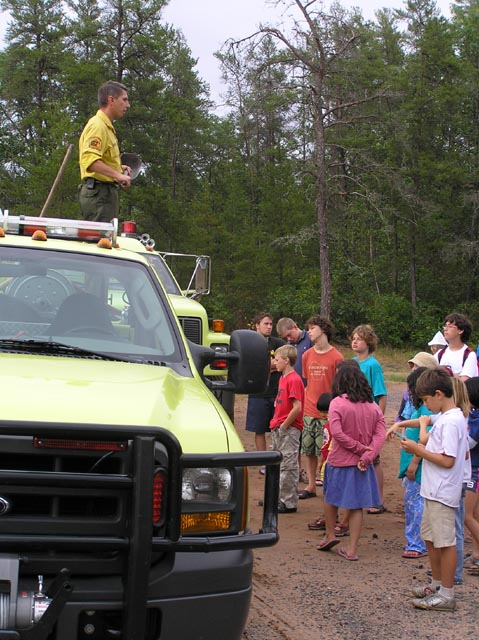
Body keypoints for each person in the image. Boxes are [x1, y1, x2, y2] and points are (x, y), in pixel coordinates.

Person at [401, 367, 468, 611]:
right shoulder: (446, 417)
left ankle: (447, 594)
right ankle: (437, 584)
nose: (426, 406)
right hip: (432, 489)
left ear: (439, 394)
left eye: (427, 400)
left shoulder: (451, 421)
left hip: (442, 491)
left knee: (445, 542)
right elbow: (428, 424)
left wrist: (418, 450)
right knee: (431, 538)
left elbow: (448, 460)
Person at [316, 365, 386, 560]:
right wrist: (367, 455)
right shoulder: (373, 407)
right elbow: (380, 434)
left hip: (339, 460)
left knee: (330, 498)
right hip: (361, 465)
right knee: (356, 506)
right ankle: (352, 549)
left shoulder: (337, 403)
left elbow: (337, 433)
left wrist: (358, 448)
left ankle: (330, 534)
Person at [388, 367, 432, 559]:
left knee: (415, 505)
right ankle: (417, 542)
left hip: (419, 466)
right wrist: (399, 425)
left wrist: (414, 462)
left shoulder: (427, 408)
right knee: (413, 503)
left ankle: (417, 544)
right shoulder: (422, 407)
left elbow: (425, 440)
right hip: (413, 464)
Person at [298, 315, 343, 500]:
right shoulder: (306, 355)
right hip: (309, 410)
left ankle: (328, 483)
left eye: (312, 328)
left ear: (323, 329)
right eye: (308, 328)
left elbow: (339, 387)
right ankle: (311, 485)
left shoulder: (337, 357)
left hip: (328, 412)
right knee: (308, 450)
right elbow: (307, 381)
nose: (309, 331)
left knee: (327, 450)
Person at [78, 81, 132, 221]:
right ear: (111, 100)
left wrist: (118, 168)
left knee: (106, 234)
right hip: (99, 195)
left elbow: (100, 159)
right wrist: (118, 175)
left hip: (104, 194)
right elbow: (90, 161)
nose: (128, 105)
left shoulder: (106, 127)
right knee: (100, 235)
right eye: (124, 100)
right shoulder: (98, 126)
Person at [351, 324, 387, 514]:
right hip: (353, 418)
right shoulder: (352, 363)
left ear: (369, 342)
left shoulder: (373, 365)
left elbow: (381, 395)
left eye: (359, 339)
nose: (355, 342)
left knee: (374, 459)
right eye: (353, 338)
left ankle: (378, 500)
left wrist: (378, 422)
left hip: (368, 418)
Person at [245, 313, 284, 466]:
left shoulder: (278, 343)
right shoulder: (250, 344)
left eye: (270, 324)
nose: (269, 327)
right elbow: (251, 366)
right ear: (257, 325)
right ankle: (263, 462)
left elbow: (284, 363)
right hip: (258, 393)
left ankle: (277, 461)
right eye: (265, 324)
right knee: (259, 429)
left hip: (277, 392)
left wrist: (267, 366)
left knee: (279, 429)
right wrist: (271, 365)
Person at [270, 345, 305, 514]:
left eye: (277, 360)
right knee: (277, 463)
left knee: (288, 465)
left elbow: (297, 407)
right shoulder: (282, 378)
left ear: (286, 361)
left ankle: (288, 501)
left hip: (288, 428)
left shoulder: (294, 380)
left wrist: (284, 426)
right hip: (278, 425)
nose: (274, 362)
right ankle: (277, 497)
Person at [463, 377, 479, 572]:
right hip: (475, 469)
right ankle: (476, 554)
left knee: (466, 515)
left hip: (474, 471)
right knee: (474, 514)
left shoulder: (475, 416)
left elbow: (470, 443)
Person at [435, 312, 478, 380]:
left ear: (460, 331)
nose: (445, 329)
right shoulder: (439, 354)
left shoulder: (469, 355)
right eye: (445, 326)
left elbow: (464, 381)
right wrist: (455, 376)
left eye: (450, 326)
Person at [276, 317, 313, 383]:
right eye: (285, 338)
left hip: (309, 384)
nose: (289, 339)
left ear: (295, 327)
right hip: (293, 384)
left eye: (289, 335)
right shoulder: (288, 346)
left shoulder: (310, 338)